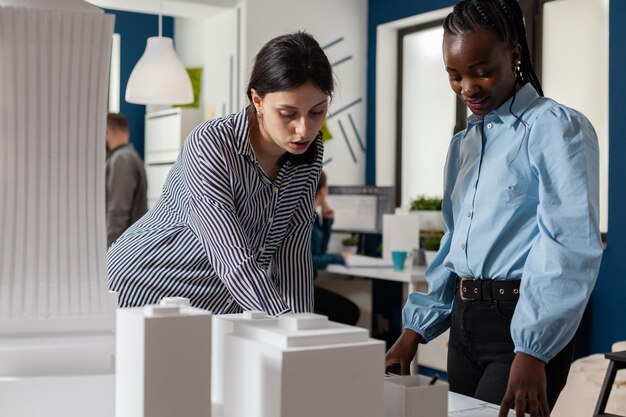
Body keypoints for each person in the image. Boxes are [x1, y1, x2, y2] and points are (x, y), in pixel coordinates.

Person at [384, 1, 603, 417]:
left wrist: (533, 349)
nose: (467, 87)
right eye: (454, 76)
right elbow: (454, 244)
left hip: (520, 323)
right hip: (464, 325)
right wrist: (415, 329)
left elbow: (568, 246)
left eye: (481, 70)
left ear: (514, 55)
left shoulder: (556, 127)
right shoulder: (463, 144)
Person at [107, 32, 333, 317]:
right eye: (288, 113)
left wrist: (305, 330)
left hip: (213, 306)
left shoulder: (308, 156)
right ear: (258, 100)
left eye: (317, 112)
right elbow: (232, 259)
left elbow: (294, 253)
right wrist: (288, 326)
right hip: (143, 287)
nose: (304, 129)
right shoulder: (212, 144)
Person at [311, 171, 360, 325]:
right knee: (350, 312)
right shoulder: (304, 218)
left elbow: (320, 252)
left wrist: (327, 221)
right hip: (295, 289)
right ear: (323, 190)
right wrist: (339, 258)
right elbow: (307, 261)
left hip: (303, 285)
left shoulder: (312, 215)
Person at [105, 112, 148, 247]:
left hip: (123, 248)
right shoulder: (130, 156)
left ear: (105, 131)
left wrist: (108, 254)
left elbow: (117, 212)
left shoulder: (121, 159)